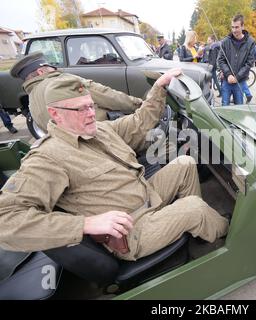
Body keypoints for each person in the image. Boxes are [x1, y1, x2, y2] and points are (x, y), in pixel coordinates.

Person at [0, 69, 229, 260]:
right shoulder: (48, 157)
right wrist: (85, 224)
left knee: (185, 163)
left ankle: (201, 230)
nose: (90, 114)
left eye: (90, 106)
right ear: (55, 114)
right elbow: (6, 220)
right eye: (80, 109)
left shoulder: (99, 130)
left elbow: (139, 122)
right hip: (132, 230)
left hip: (146, 197)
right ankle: (228, 232)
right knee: (194, 208)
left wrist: (159, 87)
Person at [10, 52, 143, 133]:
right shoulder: (64, 80)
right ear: (41, 71)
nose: (55, 68)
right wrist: (140, 105)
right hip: (101, 133)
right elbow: (107, 95)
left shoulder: (32, 100)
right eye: (50, 66)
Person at [218, 14, 256, 106]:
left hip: (240, 81)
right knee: (225, 107)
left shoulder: (250, 42)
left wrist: (237, 77)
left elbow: (249, 63)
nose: (234, 30)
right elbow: (221, 60)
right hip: (227, 81)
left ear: (242, 26)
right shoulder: (225, 41)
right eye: (232, 27)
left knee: (239, 107)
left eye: (237, 27)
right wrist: (228, 74)